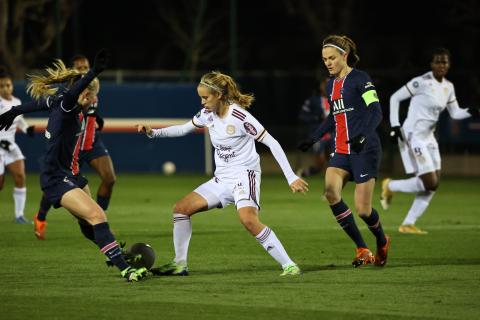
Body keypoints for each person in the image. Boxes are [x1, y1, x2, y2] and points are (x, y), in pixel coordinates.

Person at [137, 71, 309, 276]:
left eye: (205, 97)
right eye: (200, 97)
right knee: (181, 209)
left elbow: (271, 142)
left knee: (248, 220)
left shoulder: (239, 117)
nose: (202, 102)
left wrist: (291, 176)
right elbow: (183, 129)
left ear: (218, 95)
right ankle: (179, 264)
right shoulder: (207, 115)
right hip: (222, 180)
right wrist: (153, 132)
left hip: (245, 176)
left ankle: (289, 265)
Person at [0, 50, 147, 282]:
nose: (89, 99)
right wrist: (94, 71)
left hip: (69, 173)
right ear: (79, 91)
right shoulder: (68, 103)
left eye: (92, 96)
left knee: (87, 221)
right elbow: (74, 92)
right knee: (98, 215)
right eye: (87, 94)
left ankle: (115, 254)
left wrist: (14, 111)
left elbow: (37, 104)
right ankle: (125, 268)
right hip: (55, 178)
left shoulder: (60, 100)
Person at [298, 35, 390, 267]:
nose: (327, 63)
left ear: (344, 56)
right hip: (341, 150)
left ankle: (382, 240)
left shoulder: (361, 79)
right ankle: (362, 248)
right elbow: (334, 117)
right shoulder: (330, 85)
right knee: (331, 192)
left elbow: (376, 112)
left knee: (363, 210)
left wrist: (363, 135)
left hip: (365, 148)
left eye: (332, 58)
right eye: (324, 59)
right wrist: (313, 137)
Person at [381, 48, 479, 234]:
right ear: (431, 64)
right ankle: (390, 185)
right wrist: (395, 125)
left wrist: (470, 111)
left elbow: (455, 112)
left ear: (449, 65)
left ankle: (407, 224)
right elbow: (395, 98)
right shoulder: (421, 82)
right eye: (438, 62)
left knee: (434, 183)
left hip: (429, 138)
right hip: (413, 135)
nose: (441, 65)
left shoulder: (448, 87)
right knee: (430, 182)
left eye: (445, 62)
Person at [33, 54, 116, 240]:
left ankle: (99, 220)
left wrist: (97, 118)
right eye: (80, 67)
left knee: (109, 178)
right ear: (73, 71)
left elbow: (90, 111)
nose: (84, 70)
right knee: (60, 180)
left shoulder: (93, 88)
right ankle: (40, 217)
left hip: (91, 142)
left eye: (86, 66)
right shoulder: (68, 94)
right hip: (72, 145)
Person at [0, 67, 35, 223]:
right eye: (2, 86)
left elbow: (19, 120)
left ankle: (19, 216)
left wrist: (27, 129)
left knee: (20, 176)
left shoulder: (16, 102)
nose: (6, 88)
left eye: (8, 85)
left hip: (10, 145)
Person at [297, 77, 334, 178]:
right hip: (318, 135)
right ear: (321, 86)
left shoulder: (337, 100)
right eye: (325, 85)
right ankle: (304, 172)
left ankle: (332, 186)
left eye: (330, 84)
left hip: (333, 135)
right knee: (320, 163)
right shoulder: (313, 100)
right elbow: (302, 116)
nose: (327, 87)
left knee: (335, 162)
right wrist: (316, 117)